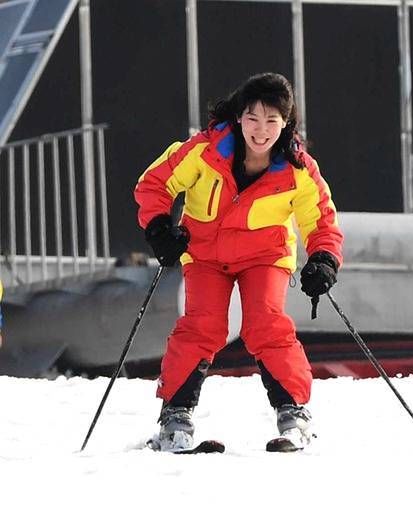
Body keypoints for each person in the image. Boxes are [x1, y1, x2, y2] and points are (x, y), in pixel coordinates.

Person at [134, 73, 343, 451]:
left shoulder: (299, 170)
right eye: (253, 118)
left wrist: (324, 259)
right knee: (202, 324)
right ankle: (175, 416)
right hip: (206, 254)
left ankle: (293, 413)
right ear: (238, 117)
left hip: (264, 256)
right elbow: (155, 184)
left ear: (286, 124)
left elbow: (321, 220)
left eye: (272, 120)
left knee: (266, 323)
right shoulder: (205, 150)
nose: (261, 130)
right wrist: (160, 227)